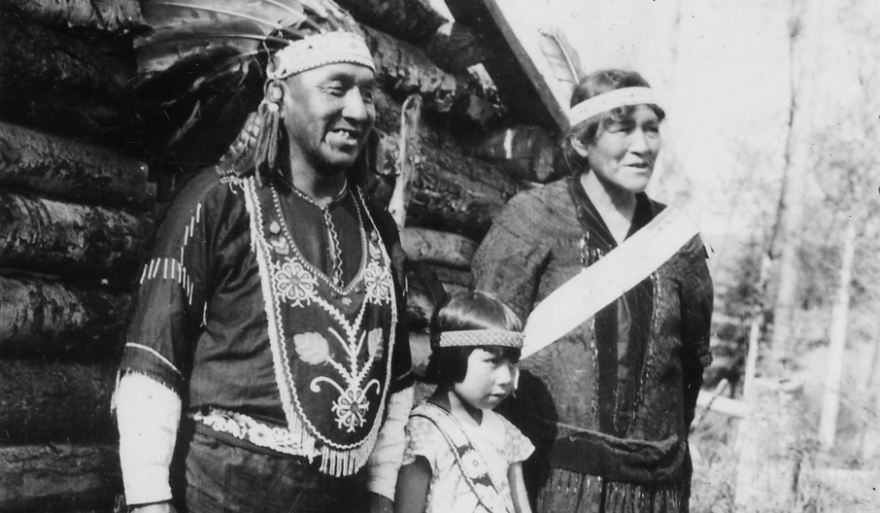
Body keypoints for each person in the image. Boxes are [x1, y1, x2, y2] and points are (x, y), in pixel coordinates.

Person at [114, 23, 414, 513]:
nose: (359, 111)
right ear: (278, 94)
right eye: (336, 89)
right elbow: (154, 361)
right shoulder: (216, 202)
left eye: (368, 93)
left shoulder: (379, 228)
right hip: (223, 491)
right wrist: (150, 502)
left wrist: (381, 494)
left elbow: (396, 382)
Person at [472, 69, 713, 512]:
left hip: (652, 489)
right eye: (622, 129)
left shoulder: (677, 240)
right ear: (581, 142)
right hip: (546, 481)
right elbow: (483, 344)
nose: (642, 146)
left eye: (652, 129)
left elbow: (692, 365)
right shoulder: (532, 220)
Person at [395, 290, 534, 513]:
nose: (507, 378)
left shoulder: (507, 433)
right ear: (453, 358)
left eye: (511, 363)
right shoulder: (424, 430)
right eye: (492, 361)